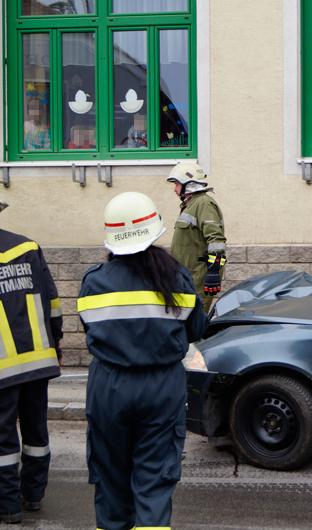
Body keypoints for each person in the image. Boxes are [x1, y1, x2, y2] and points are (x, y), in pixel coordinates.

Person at [78, 191, 209, 530]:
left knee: (110, 479)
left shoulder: (94, 281)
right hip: (162, 386)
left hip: (109, 386)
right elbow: (196, 329)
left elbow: (91, 331)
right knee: (154, 482)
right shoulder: (176, 277)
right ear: (154, 232)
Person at [0, 186, 62, 524]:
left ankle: (6, 505)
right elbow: (52, 301)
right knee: (35, 431)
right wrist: (56, 344)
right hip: (39, 358)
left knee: (0, 436)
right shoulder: (28, 246)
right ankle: (33, 496)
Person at [167, 162, 227, 313]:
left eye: (176, 184)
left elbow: (216, 239)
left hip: (199, 277)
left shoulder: (204, 204)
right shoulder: (191, 205)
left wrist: (213, 271)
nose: (175, 189)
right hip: (187, 276)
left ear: (189, 184)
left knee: (195, 318)